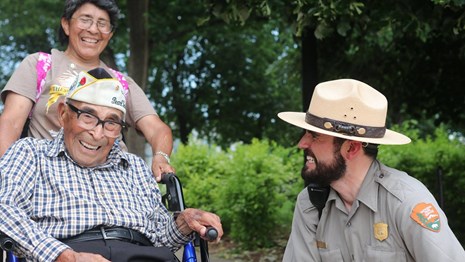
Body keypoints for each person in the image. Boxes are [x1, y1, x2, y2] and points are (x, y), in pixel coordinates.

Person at [0, 68, 223, 262]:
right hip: (68, 252)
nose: (97, 134)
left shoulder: (134, 166)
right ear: (63, 114)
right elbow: (3, 208)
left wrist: (184, 221)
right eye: (87, 116)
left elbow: (160, 237)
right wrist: (64, 256)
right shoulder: (30, 153)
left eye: (111, 123)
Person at [278, 79, 465, 261]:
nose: (302, 143)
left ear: (352, 148)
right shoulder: (310, 204)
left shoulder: (407, 202)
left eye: (315, 136)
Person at [0, 0, 172, 181]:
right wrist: (9, 176)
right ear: (66, 24)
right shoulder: (40, 65)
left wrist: (161, 156)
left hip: (113, 182)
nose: (93, 29)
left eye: (102, 23)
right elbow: (10, 123)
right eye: (85, 19)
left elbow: (158, 129)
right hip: (49, 180)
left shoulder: (120, 83)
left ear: (110, 33)